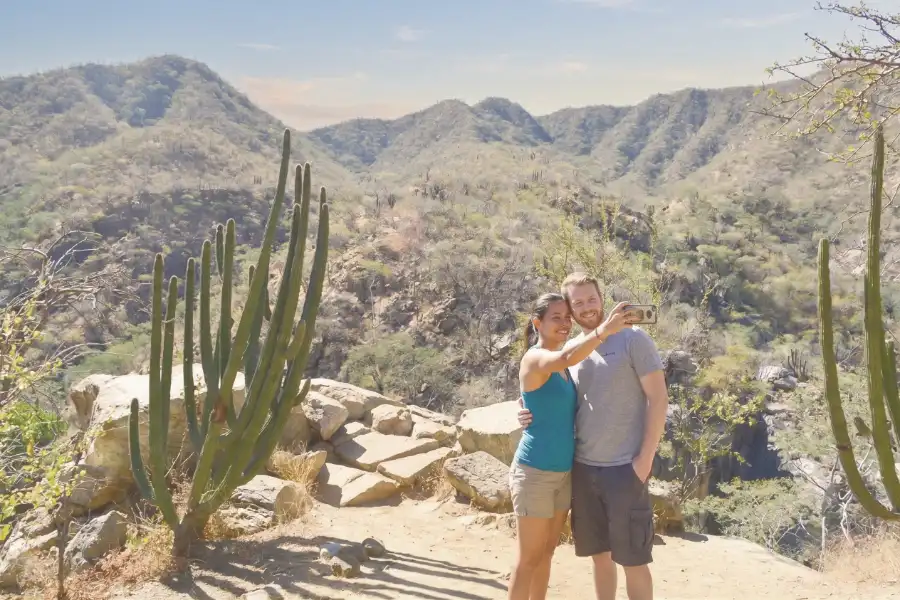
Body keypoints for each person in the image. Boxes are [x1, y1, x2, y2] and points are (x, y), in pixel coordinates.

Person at [517, 273, 669, 600]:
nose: (587, 307)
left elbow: (659, 398)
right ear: (571, 309)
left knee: (633, 558)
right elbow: (553, 394)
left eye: (591, 298)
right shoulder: (572, 349)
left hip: (625, 467)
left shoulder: (634, 339)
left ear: (602, 298)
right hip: (583, 469)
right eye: (578, 302)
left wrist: (644, 459)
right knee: (600, 557)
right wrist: (526, 408)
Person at [507, 291, 635, 600]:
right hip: (534, 472)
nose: (565, 324)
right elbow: (562, 359)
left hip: (563, 474)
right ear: (537, 323)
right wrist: (606, 329)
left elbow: (549, 399)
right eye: (556, 318)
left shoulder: (562, 363)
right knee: (527, 559)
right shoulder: (538, 356)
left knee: (547, 552)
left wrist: (523, 405)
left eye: (567, 317)